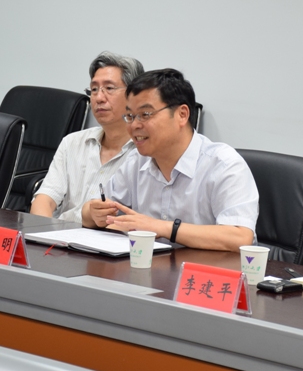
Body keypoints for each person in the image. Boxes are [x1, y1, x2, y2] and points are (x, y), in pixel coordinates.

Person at [81, 68, 258, 252]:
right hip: (149, 266)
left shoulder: (223, 165)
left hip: (203, 269)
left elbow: (240, 237)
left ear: (182, 114)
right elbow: (88, 213)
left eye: (145, 114)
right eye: (130, 116)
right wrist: (94, 214)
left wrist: (162, 228)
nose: (134, 125)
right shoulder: (136, 161)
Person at [29, 51, 144, 221]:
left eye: (109, 88)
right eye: (94, 89)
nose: (99, 98)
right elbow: (44, 199)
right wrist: (42, 231)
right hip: (59, 233)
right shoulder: (73, 142)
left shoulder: (145, 153)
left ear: (134, 95)